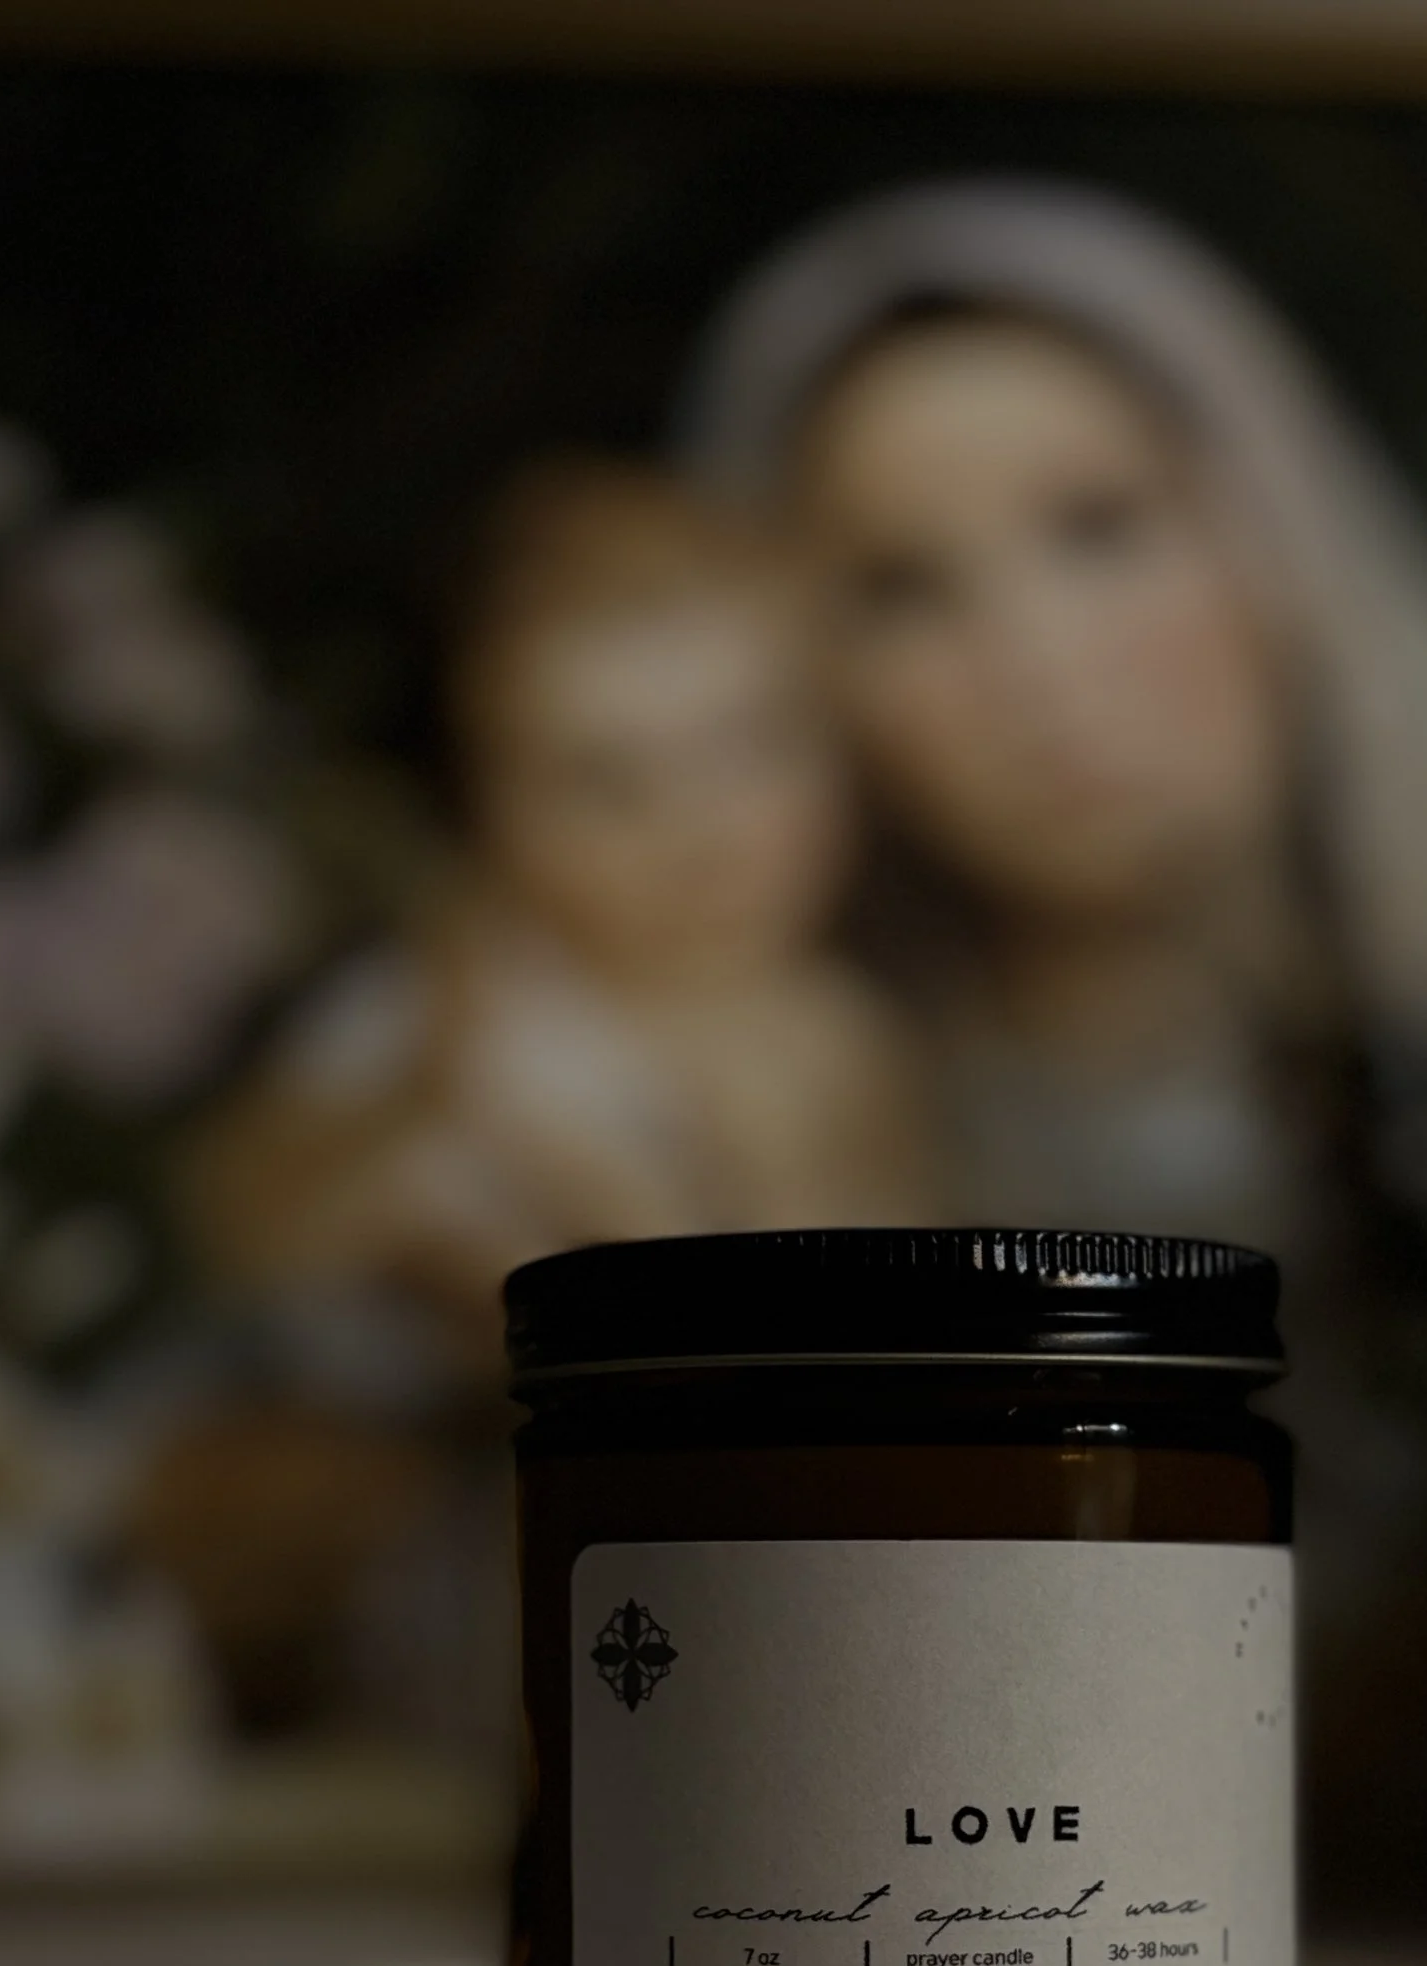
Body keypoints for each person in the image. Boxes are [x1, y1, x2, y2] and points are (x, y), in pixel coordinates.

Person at [685, 179, 1427, 1257]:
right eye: (902, 589)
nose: (1035, 669)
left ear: (1271, 532)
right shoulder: (749, 1161)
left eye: (1099, 527)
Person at [191, 464, 932, 1379]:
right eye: (606, 783)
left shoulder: (837, 1001)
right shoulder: (492, 1030)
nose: (704, 832)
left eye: (755, 743)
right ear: (493, 814)